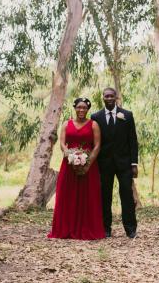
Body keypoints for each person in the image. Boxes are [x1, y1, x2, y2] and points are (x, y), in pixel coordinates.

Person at [48, 97, 104, 240]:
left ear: (88, 109)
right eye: (79, 107)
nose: (81, 110)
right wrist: (70, 156)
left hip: (89, 167)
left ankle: (87, 228)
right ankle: (66, 228)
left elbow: (97, 145)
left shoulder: (93, 125)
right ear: (74, 108)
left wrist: (88, 163)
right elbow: (62, 144)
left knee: (88, 197)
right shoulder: (66, 124)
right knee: (67, 195)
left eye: (84, 108)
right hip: (69, 165)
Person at [91, 87, 139, 239]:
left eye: (112, 96)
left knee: (127, 195)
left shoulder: (127, 115)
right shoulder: (95, 117)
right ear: (103, 98)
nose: (109, 98)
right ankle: (105, 228)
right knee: (105, 196)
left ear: (116, 97)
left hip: (124, 164)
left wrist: (134, 163)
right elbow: (93, 142)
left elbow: (133, 140)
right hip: (103, 164)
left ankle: (130, 229)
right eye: (106, 96)